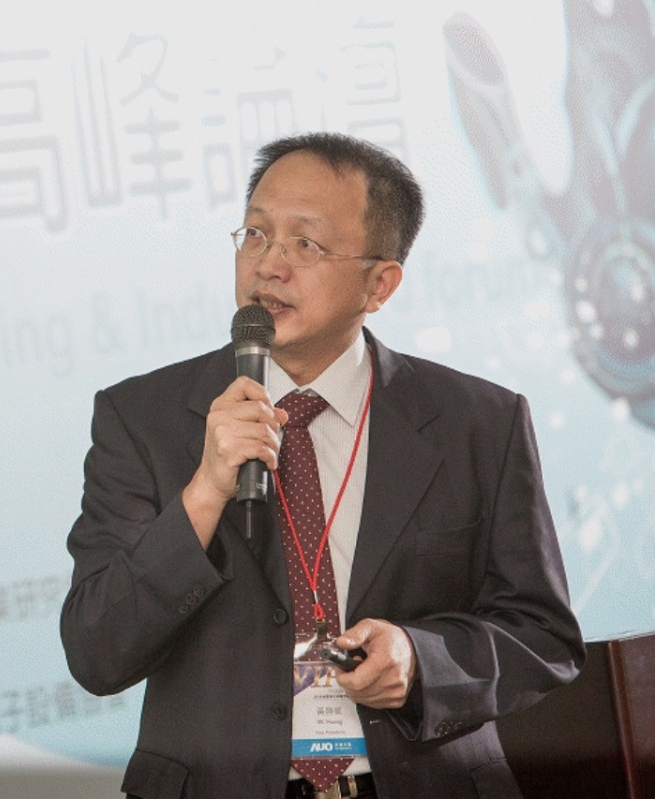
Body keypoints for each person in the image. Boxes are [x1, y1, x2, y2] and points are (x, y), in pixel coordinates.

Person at [60, 132, 585, 799]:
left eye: (305, 244)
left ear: (380, 283)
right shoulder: (142, 419)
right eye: (255, 234)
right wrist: (204, 494)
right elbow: (96, 652)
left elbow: (543, 637)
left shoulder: (478, 422)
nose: (268, 265)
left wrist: (420, 661)